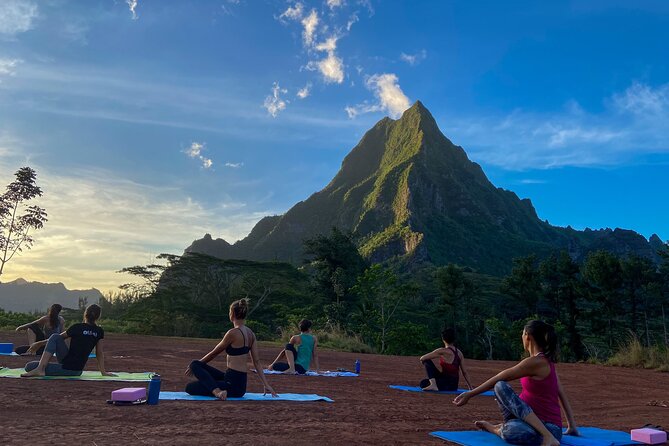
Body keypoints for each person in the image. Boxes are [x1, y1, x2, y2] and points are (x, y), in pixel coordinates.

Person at [453, 320, 579, 446]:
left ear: (527, 336)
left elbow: (501, 376)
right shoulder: (545, 362)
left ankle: (497, 429)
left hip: (550, 428)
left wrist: (470, 394)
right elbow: (561, 393)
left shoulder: (536, 362)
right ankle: (505, 427)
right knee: (500, 387)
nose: (522, 337)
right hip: (526, 422)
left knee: (513, 430)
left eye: (522, 334)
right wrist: (572, 426)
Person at [184, 298, 277, 400]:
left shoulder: (232, 333)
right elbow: (257, 362)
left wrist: (196, 367)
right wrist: (266, 384)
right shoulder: (251, 334)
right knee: (196, 365)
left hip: (231, 385)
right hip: (240, 386)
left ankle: (218, 392)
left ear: (232, 314)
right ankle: (216, 388)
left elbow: (213, 353)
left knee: (190, 385)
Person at [21, 304, 114, 378]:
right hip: (77, 370)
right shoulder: (99, 331)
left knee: (29, 366)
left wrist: (39, 343)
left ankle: (40, 369)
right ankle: (40, 368)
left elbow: (56, 338)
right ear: (98, 317)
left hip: (69, 369)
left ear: (85, 314)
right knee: (55, 337)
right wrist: (103, 372)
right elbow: (99, 353)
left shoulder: (77, 327)